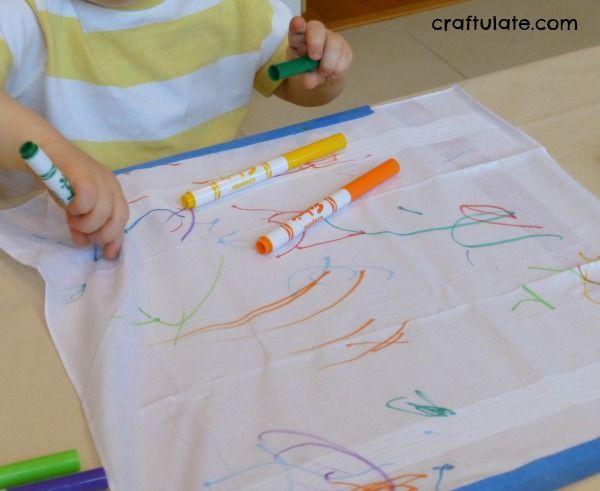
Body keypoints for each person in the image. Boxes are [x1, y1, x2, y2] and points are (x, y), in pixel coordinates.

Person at [0, 0, 353, 259]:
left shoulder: (239, 8)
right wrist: (55, 151)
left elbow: (297, 85)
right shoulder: (21, 12)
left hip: (204, 220)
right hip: (60, 239)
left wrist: (322, 72)